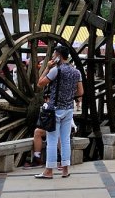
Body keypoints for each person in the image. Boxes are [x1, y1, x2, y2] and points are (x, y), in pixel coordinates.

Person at [35, 47, 83, 179]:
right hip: (69, 109)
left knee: (52, 140)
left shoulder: (56, 70)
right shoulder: (76, 72)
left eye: (53, 54)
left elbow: (40, 83)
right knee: (65, 140)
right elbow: (80, 92)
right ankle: (65, 170)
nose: (52, 57)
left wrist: (47, 68)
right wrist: (68, 95)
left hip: (54, 110)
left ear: (58, 55)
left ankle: (49, 171)